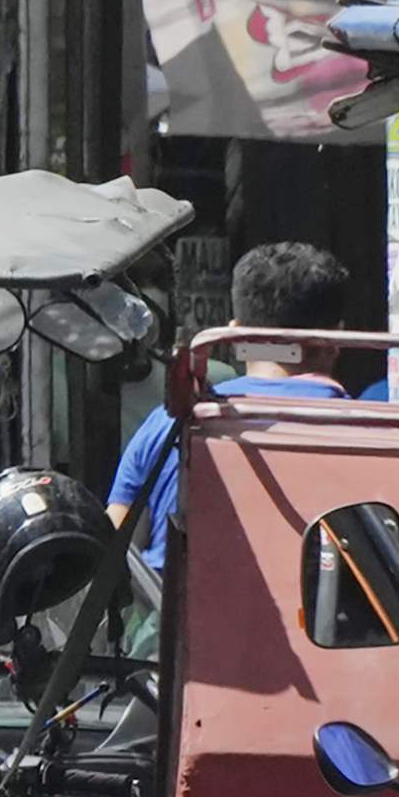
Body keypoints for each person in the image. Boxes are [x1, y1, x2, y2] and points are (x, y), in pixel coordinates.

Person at [107, 240, 351, 565]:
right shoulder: (375, 431)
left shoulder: (168, 423)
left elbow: (115, 553)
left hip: (179, 613)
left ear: (236, 335)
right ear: (337, 338)